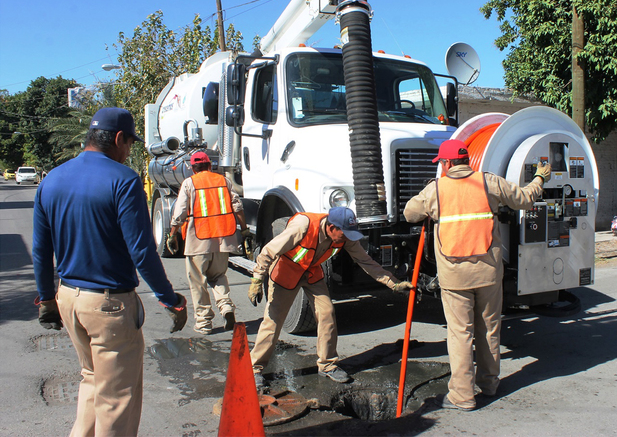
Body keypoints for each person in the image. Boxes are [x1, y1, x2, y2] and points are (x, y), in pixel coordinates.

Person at [33, 107, 188, 436]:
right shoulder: (123, 181)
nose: (128, 150)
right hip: (108, 308)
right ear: (119, 139)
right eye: (130, 143)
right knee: (117, 400)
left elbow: (41, 250)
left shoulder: (52, 181)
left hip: (68, 300)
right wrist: (169, 298)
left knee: (91, 382)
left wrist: (47, 300)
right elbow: (142, 251)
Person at [403, 139, 550, 411]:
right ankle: (489, 384)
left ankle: (462, 396)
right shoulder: (488, 182)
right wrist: (540, 177)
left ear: (447, 164)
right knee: (489, 329)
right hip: (488, 273)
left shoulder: (436, 189)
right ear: (466, 160)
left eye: (442, 164)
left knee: (460, 334)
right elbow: (525, 199)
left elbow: (409, 213)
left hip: (454, 276)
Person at [247, 207, 414, 385]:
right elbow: (268, 252)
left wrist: (393, 283)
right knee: (273, 321)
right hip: (286, 273)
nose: (348, 238)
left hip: (312, 273)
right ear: (331, 227)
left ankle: (327, 365)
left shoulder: (345, 237)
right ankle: (255, 368)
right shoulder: (302, 226)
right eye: (345, 233)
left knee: (327, 313)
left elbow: (366, 262)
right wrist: (257, 280)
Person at [167, 151, 248, 335]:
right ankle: (226, 308)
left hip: (199, 239)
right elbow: (238, 206)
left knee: (198, 282)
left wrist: (172, 234)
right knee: (218, 276)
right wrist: (243, 230)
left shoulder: (189, 183)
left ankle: (204, 322)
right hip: (223, 238)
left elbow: (179, 212)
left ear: (192, 168)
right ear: (210, 165)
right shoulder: (223, 181)